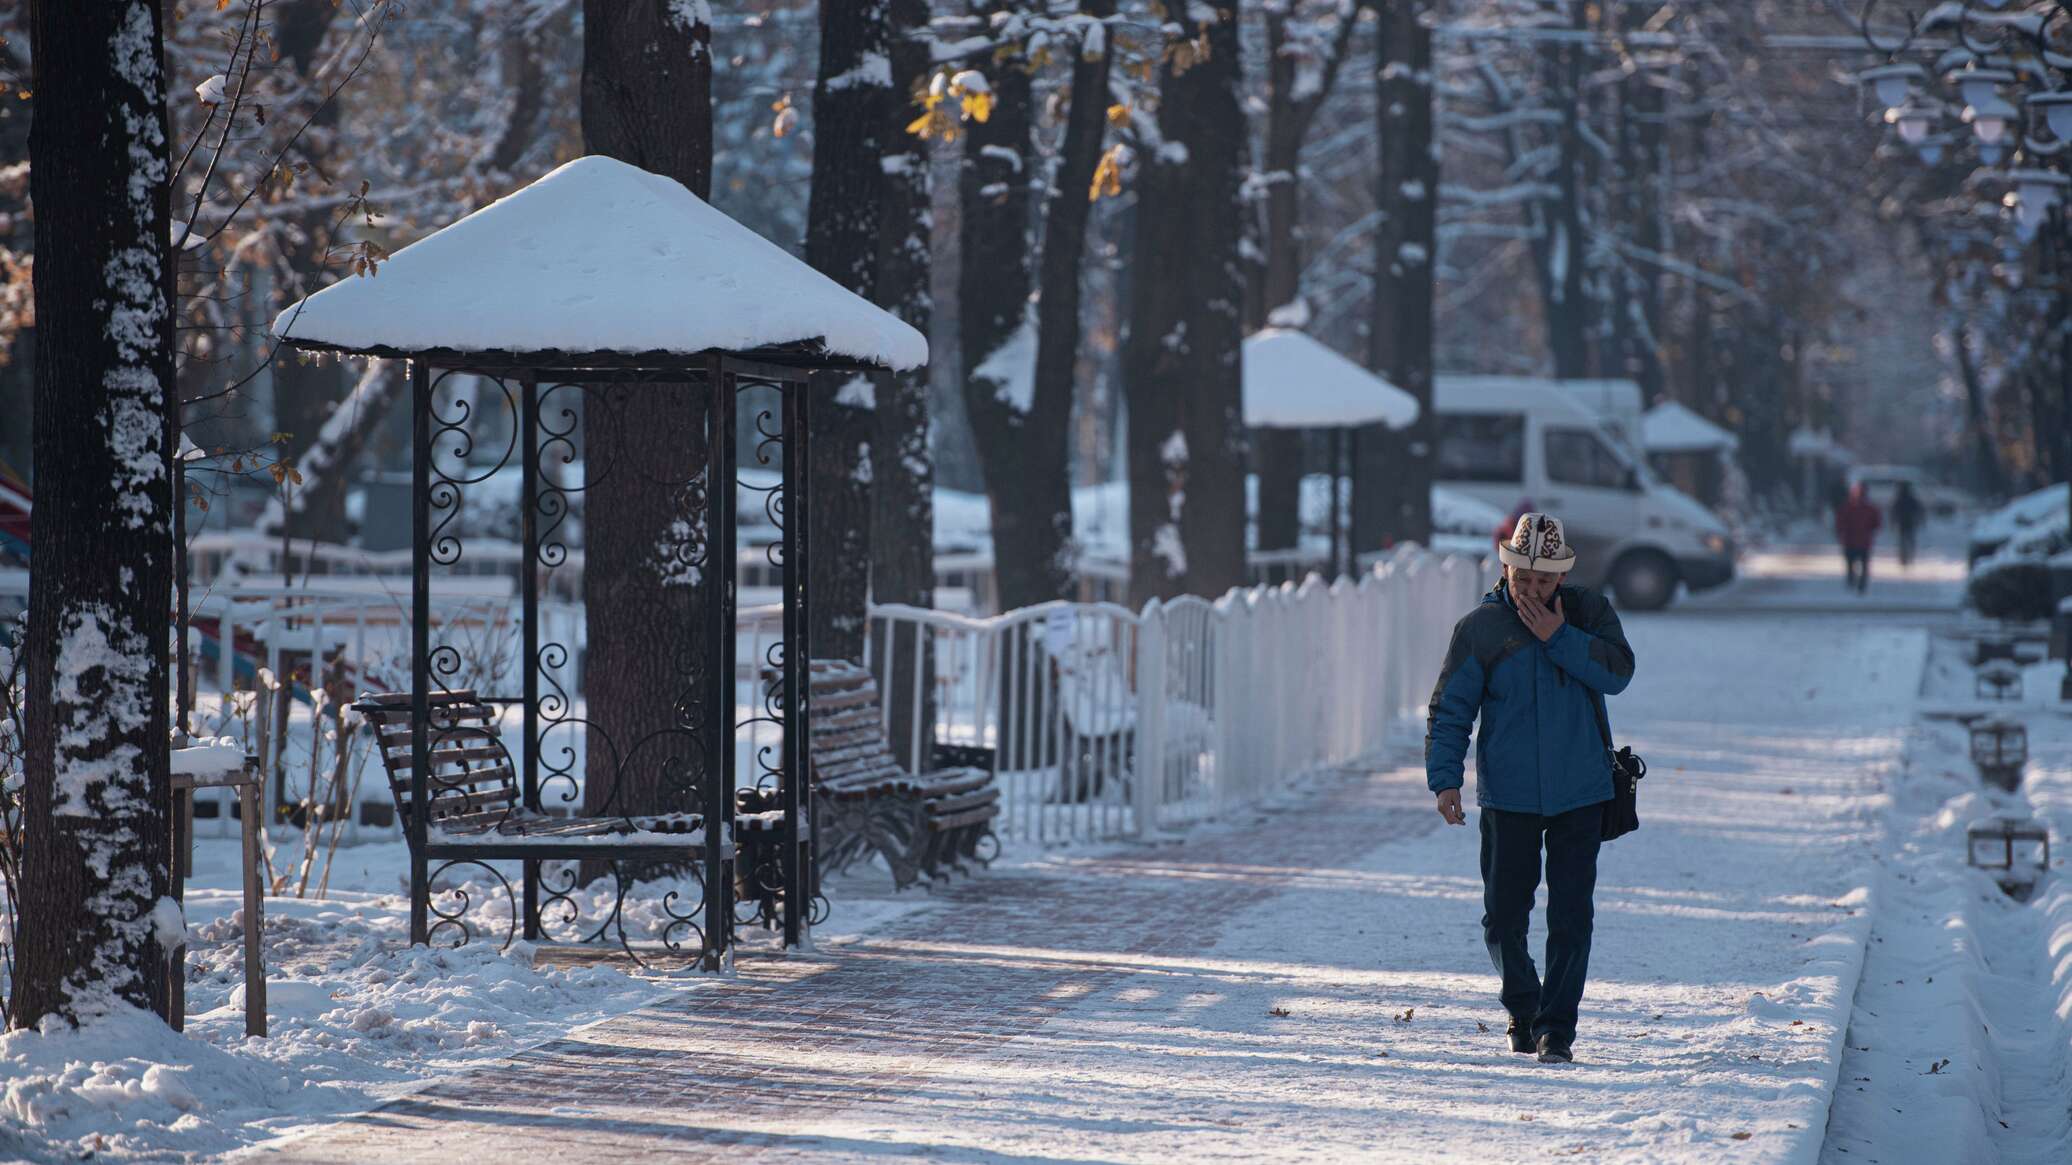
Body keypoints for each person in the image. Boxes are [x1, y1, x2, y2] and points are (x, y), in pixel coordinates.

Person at [1426, 513, 1636, 1065]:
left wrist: (1559, 638)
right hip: (1509, 796)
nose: (1533, 589)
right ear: (1505, 567)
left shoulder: (1589, 614)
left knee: (1571, 916)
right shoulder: (1481, 629)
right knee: (1502, 916)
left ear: (1561, 577)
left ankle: (1556, 1030)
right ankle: (1523, 1006)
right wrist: (1445, 778)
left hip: (1581, 793)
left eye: (1544, 580)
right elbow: (1450, 708)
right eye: (1523, 578)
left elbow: (1618, 673)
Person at [1834, 482, 1883, 593]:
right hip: (1862, 541)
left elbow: (1840, 522)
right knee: (1863, 564)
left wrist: (1840, 532)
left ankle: (1853, 580)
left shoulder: (1847, 507)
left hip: (1851, 541)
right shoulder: (1869, 508)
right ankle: (1861, 583)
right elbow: (1877, 523)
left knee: (1851, 563)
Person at [1892, 481, 1925, 568]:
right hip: (1910, 522)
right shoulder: (1912, 499)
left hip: (1902, 522)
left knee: (1902, 541)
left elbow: (1894, 511)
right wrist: (1920, 520)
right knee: (1910, 541)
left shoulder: (1899, 499)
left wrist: (1893, 521)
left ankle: (1903, 558)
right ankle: (1910, 557)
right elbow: (1919, 510)